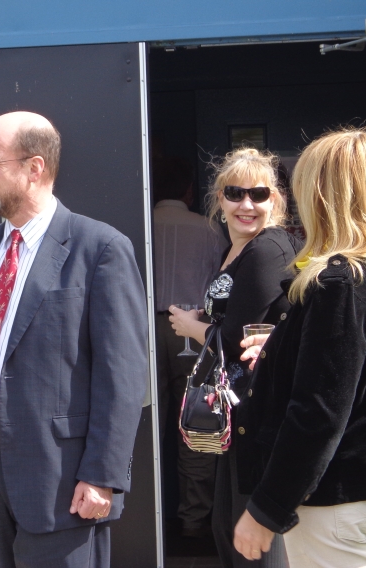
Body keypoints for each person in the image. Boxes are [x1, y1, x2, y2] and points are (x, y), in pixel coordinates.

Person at [0, 111, 149, 567]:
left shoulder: (99, 248)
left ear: (34, 168)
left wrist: (102, 475)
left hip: (63, 483)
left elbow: (121, 377)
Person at [232, 129, 366, 567]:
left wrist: (265, 509)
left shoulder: (341, 281)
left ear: (320, 195)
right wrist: (289, 345)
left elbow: (319, 411)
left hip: (344, 495)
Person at [168, 147, 299, 567]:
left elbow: (235, 340)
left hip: (262, 420)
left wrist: (192, 327)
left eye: (259, 194)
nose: (246, 204)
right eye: (235, 193)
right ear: (219, 199)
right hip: (238, 418)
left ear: (275, 201)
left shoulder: (267, 250)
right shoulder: (237, 248)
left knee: (253, 546)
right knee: (229, 533)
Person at [153, 159, 225, 537]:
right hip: (192, 331)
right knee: (196, 422)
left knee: (146, 423)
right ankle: (194, 520)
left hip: (145, 329)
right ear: (187, 192)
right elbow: (220, 285)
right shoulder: (210, 229)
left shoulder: (139, 224)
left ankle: (147, 513)